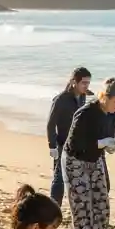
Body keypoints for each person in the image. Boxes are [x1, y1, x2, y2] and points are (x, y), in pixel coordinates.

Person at [64, 78, 115, 229]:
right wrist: (100, 143)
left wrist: (110, 145)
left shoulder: (113, 115)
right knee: (82, 206)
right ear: (104, 97)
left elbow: (108, 138)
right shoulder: (85, 113)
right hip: (75, 161)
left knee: (101, 203)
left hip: (96, 159)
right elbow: (75, 144)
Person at [46, 67, 91, 203]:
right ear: (74, 82)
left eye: (88, 83)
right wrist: (52, 146)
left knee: (77, 181)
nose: (86, 86)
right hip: (62, 146)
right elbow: (50, 124)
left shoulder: (83, 96)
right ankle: (53, 209)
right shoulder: (60, 100)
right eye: (83, 83)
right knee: (59, 179)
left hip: (78, 146)